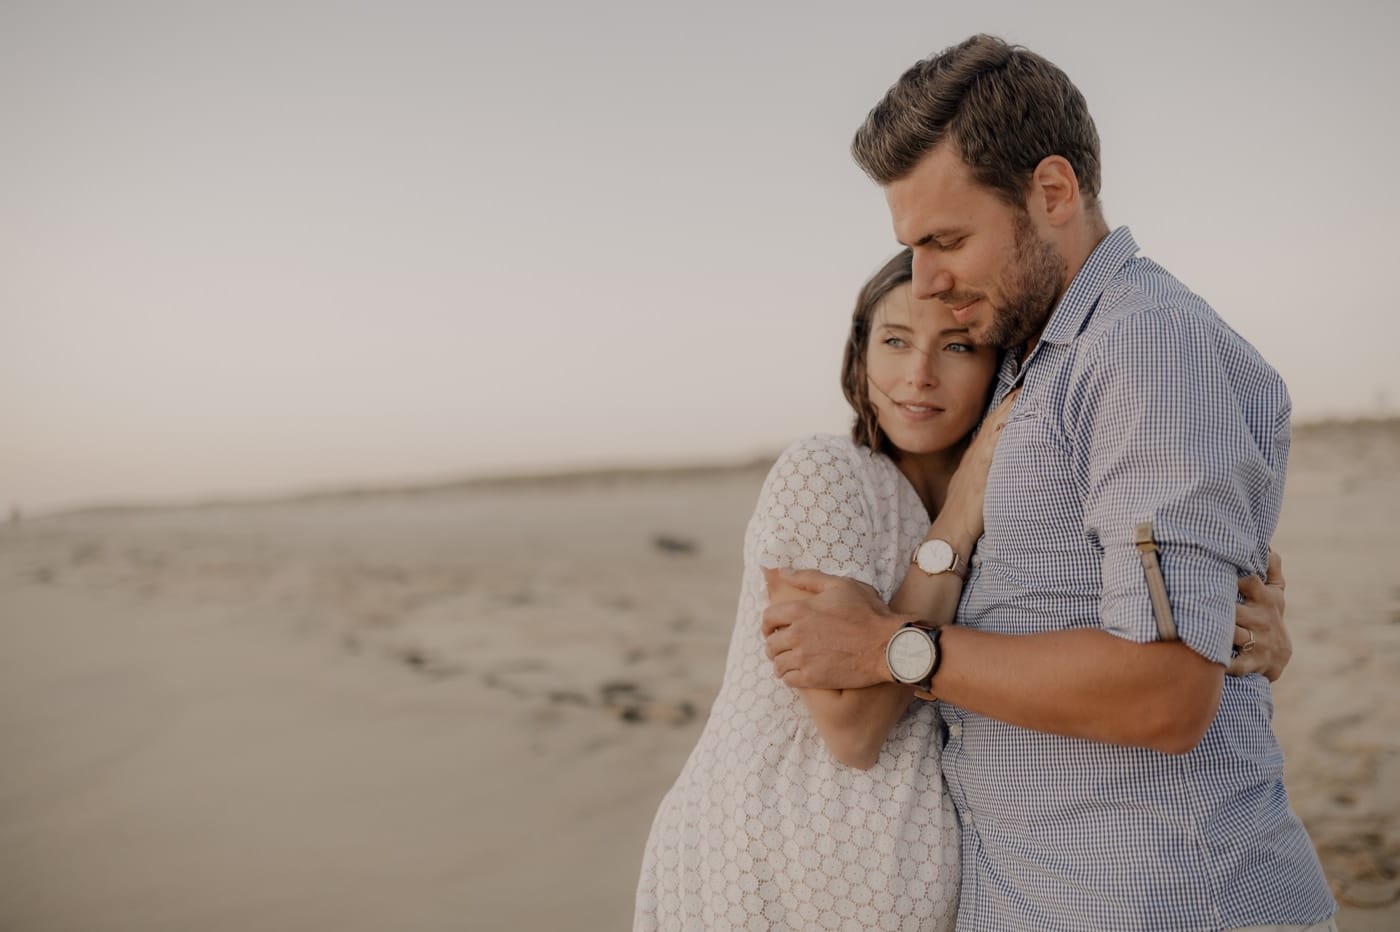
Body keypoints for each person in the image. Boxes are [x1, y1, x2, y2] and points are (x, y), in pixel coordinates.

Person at [761, 35, 1334, 931]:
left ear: (1054, 193)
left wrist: (890, 648)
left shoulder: (1145, 346)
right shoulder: (1030, 357)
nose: (927, 279)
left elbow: (1167, 693)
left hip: (1166, 906)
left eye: (947, 239)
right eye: (910, 246)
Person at [634, 249, 1292, 931]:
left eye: (957, 345)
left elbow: (1156, 607)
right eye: (894, 342)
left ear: (1000, 369)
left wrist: (1259, 634)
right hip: (770, 877)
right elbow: (853, 729)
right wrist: (956, 518)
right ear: (860, 359)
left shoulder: (1017, 502)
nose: (918, 375)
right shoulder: (825, 475)